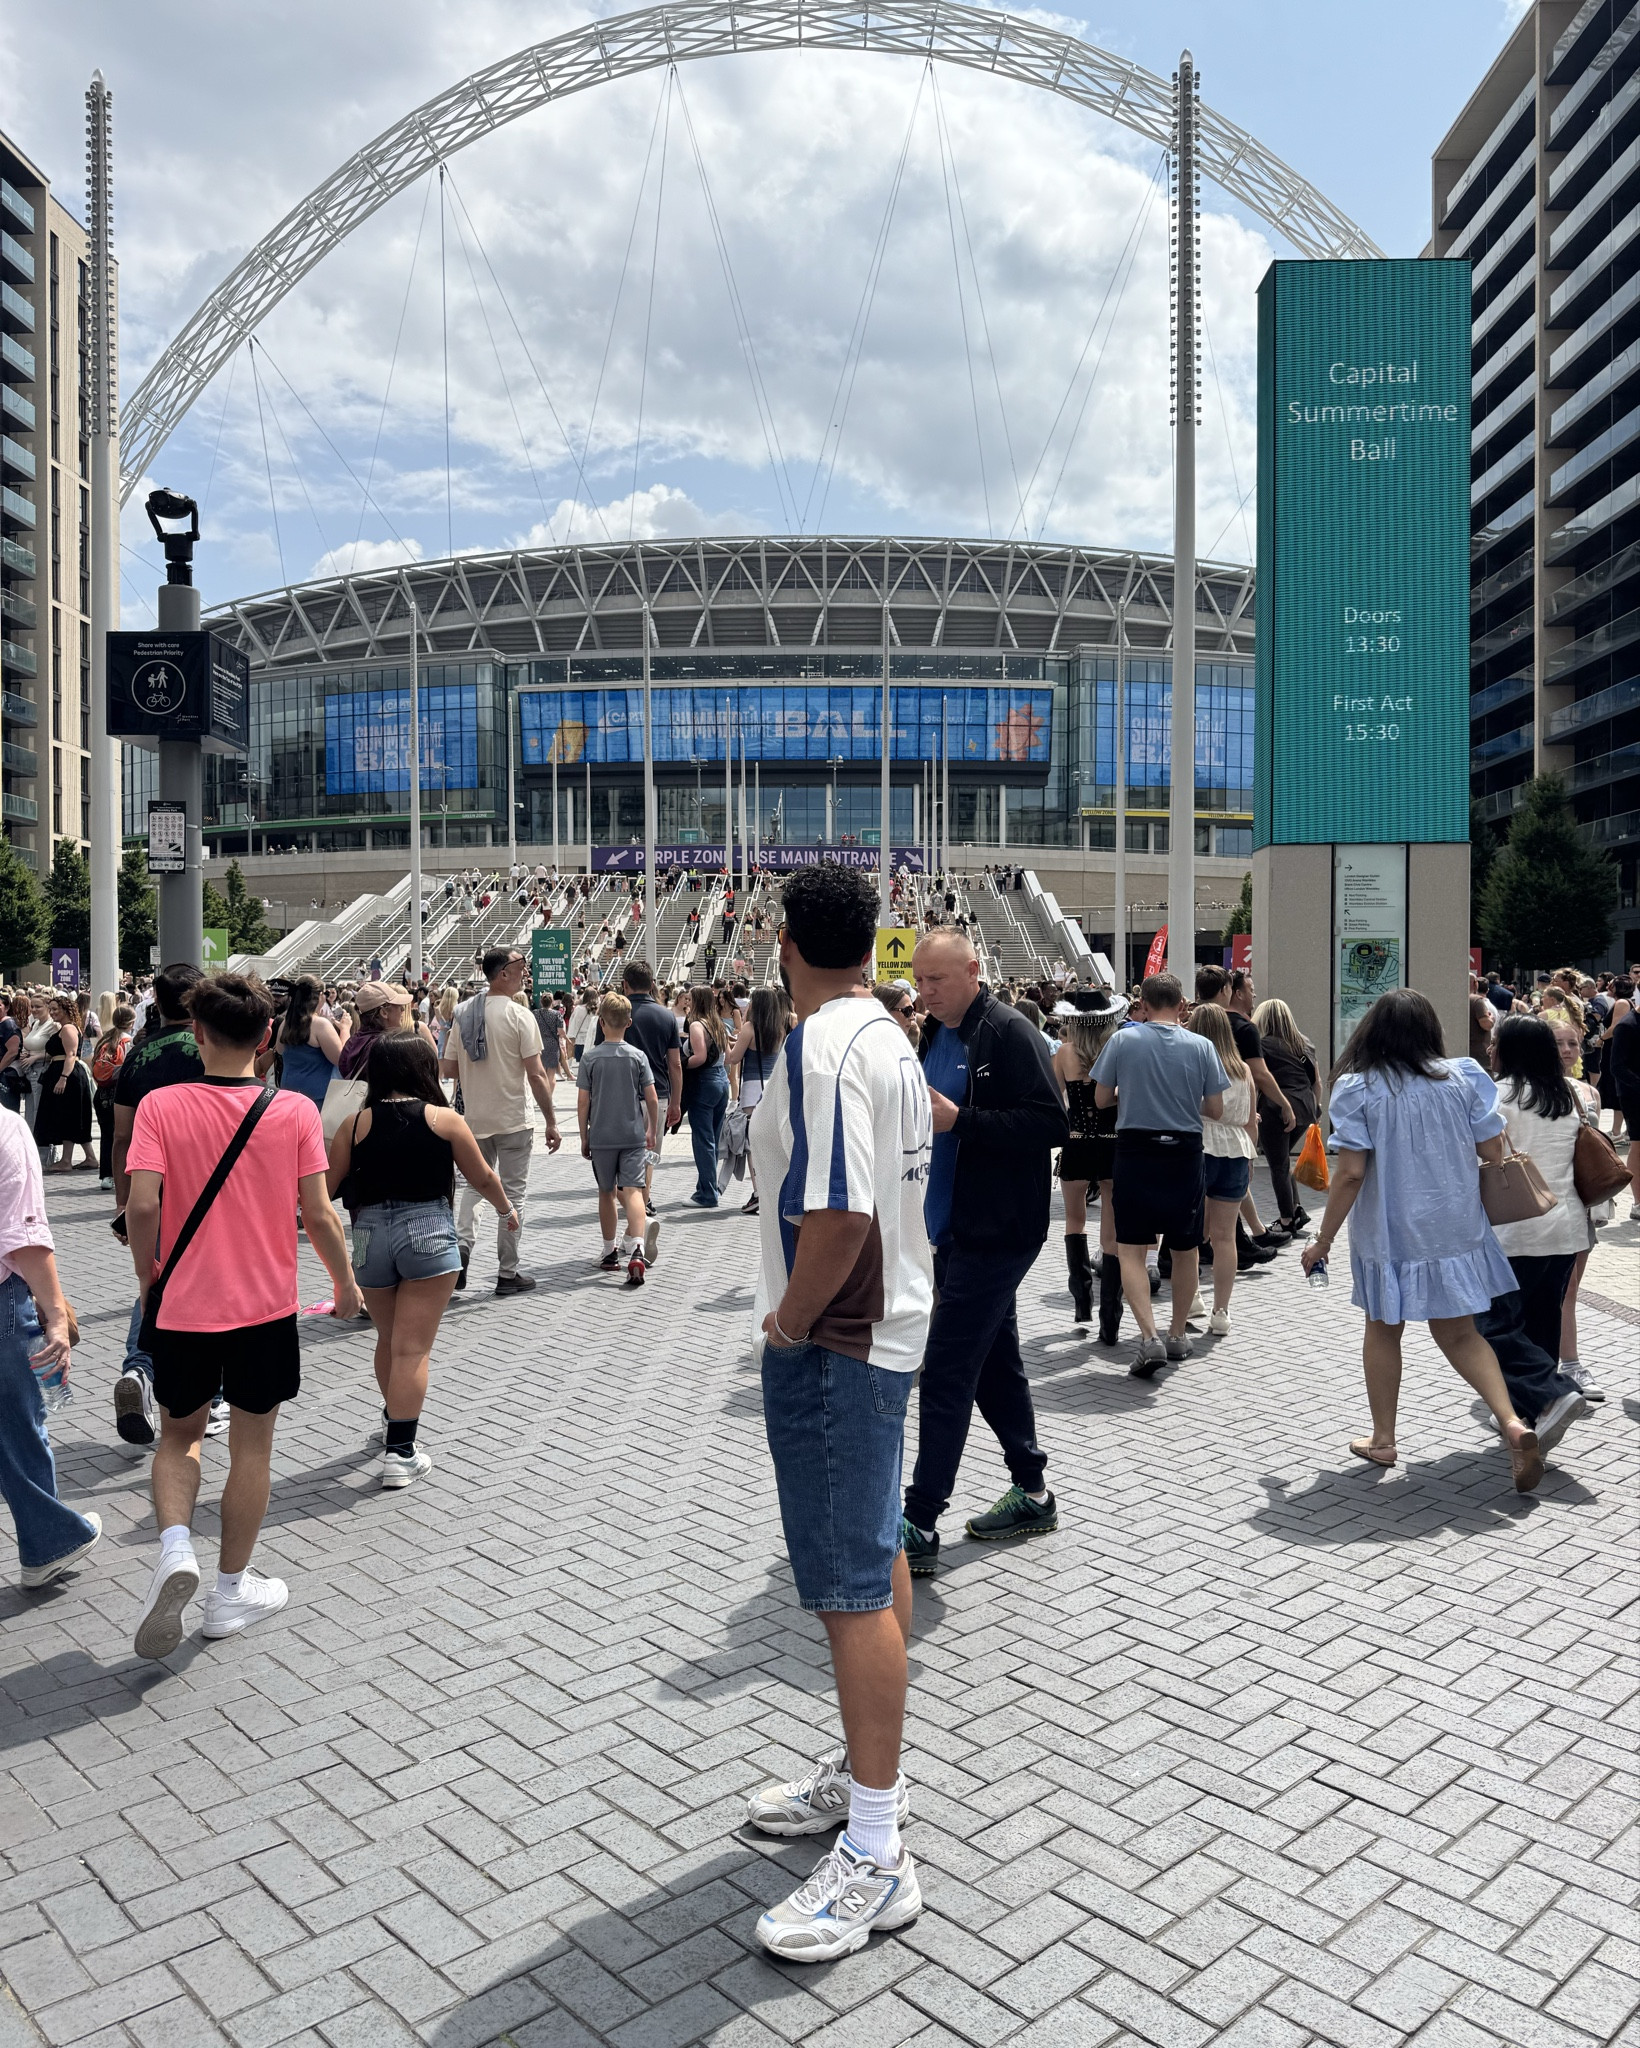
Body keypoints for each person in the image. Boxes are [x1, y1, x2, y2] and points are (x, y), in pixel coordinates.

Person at [741, 863, 933, 1961]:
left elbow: (839, 1210)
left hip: (839, 1337)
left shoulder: (822, 1043)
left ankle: (875, 1846)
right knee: (872, 1560)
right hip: (887, 1326)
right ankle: (869, 1782)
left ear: (782, 941)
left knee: (847, 1585)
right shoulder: (883, 1031)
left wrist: (788, 1321)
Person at [124, 974, 362, 1659]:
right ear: (266, 1039)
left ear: (196, 1032)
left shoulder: (162, 1107)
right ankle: (230, 1592)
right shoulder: (289, 1112)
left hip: (184, 1303)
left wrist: (149, 1277)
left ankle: (174, 1547)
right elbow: (317, 1214)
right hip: (264, 1309)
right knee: (253, 1445)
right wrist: (345, 1285)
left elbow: (142, 1206)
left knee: (180, 1435)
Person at [1297, 989, 1544, 1492]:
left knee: (1384, 1329)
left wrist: (1322, 1239)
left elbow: (1349, 1174)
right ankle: (1512, 1423)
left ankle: (1383, 1438)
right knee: (1460, 1333)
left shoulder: (1358, 1088)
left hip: (1390, 1231)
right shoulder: (1462, 1077)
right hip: (1454, 1224)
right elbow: (1492, 1148)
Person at [900, 929, 1068, 1574]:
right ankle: (1032, 1491)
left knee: (945, 1370)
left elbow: (1052, 1124)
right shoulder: (938, 1033)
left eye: (937, 980)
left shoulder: (1006, 1032)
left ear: (974, 971)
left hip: (998, 1231)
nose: (926, 991)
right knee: (995, 1363)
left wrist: (961, 1121)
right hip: (951, 1228)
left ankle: (919, 1520)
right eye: (920, 979)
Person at [327, 1033, 516, 1486]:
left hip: (370, 1234)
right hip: (427, 1231)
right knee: (414, 1349)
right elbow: (483, 1176)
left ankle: (395, 1414)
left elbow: (327, 1188)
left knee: (389, 1340)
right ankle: (401, 1451)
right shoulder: (445, 1119)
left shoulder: (354, 1124)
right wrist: (508, 1211)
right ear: (422, 1069)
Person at [1092, 973, 1226, 1376]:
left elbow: (1101, 1099)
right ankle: (1177, 1333)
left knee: (1131, 1248)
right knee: (1186, 1249)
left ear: (1144, 1006)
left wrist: (1131, 1093)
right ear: (1182, 1004)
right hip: (1184, 1152)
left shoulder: (1123, 1040)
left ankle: (1148, 1336)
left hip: (1135, 1150)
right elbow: (1216, 1109)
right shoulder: (1202, 1046)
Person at [1471, 1015, 1592, 1457]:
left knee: (1488, 1326)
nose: (1490, 1048)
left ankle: (1551, 1393)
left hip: (1510, 1228)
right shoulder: (1572, 1095)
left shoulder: (1495, 1096)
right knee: (1543, 1320)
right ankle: (1533, 1414)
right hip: (1565, 1226)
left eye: (1496, 1042)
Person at [0, 1100, 101, 1590]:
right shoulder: (6, 1128)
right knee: (18, 1426)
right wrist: (56, 1312)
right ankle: (49, 1543)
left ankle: (52, 1538)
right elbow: (22, 1236)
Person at [110, 965, 208, 1451]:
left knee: (153, 1280)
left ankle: (140, 1370)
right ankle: (212, 1393)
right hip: (206, 1190)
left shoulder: (138, 1054)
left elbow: (121, 1134)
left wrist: (123, 1201)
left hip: (150, 1188)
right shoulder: (208, 1049)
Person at [441, 947, 562, 1295]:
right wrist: (552, 1120)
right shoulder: (520, 1015)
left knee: (474, 1188)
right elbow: (537, 1075)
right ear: (502, 973)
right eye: (520, 967)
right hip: (513, 1119)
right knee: (513, 1195)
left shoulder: (463, 1013)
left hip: (474, 1119)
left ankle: (461, 1249)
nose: (525, 972)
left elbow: (448, 1069)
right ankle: (507, 1272)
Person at [594, 960, 683, 1258]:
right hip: (657, 1095)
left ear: (626, 984)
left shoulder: (612, 1012)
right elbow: (675, 1063)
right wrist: (676, 1101)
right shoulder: (666, 1016)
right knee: (647, 1163)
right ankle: (638, 1225)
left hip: (620, 1100)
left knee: (615, 1178)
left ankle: (639, 1224)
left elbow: (598, 1057)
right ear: (652, 982)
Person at [1052, 991, 1125, 1339]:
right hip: (1112, 1143)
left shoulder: (1064, 1054)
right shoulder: (1116, 1050)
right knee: (1111, 1229)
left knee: (1074, 1219)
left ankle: (1082, 1299)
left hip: (1077, 1140)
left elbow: (1055, 1101)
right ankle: (1110, 1316)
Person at [575, 992, 659, 1285]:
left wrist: (583, 1135)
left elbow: (583, 1102)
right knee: (634, 1191)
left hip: (601, 1134)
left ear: (600, 1022)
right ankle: (636, 1245)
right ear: (629, 1023)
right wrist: (651, 1130)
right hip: (633, 1134)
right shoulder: (637, 1056)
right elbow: (651, 1097)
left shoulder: (590, 1058)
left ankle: (609, 1250)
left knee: (606, 1192)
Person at [1188, 1004, 1256, 1338]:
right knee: (1226, 1237)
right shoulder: (1244, 1070)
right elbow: (1249, 1124)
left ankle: (1192, 1297)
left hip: (1199, 1148)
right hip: (1237, 1151)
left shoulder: (1194, 1063)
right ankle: (1221, 1312)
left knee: (1190, 1232)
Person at [1251, 998, 1319, 1238]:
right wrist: (1315, 1111)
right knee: (1284, 1161)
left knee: (1277, 1165)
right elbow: (1316, 1081)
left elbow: (1259, 1078)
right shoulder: (1304, 1044)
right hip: (1305, 1107)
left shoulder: (1263, 1044)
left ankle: (1287, 1219)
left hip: (1277, 1108)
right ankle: (1296, 1210)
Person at [726, 986, 789, 1217]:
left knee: (754, 1143)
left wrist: (725, 1041)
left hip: (753, 1088)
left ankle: (758, 1192)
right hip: (773, 1086)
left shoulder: (750, 1028)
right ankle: (772, 1188)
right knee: (773, 1140)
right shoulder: (780, 1028)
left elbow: (733, 1058)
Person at [681, 984, 731, 1208]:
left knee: (703, 1140)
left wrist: (679, 1064)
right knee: (713, 1137)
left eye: (690, 999)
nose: (687, 1003)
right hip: (722, 1081)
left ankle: (707, 1193)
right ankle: (707, 1187)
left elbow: (699, 1057)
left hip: (704, 1082)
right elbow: (729, 1057)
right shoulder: (719, 1024)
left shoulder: (696, 1025)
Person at [269, 974, 349, 1111]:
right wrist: (345, 1029)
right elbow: (341, 1059)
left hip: (288, 1095)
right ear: (319, 996)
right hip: (315, 1099)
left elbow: (280, 1051)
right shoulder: (320, 1025)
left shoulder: (285, 1023)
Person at [35, 996, 95, 1172]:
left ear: (66, 1010)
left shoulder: (68, 1028)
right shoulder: (65, 1027)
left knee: (67, 1114)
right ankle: (90, 1157)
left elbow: (70, 1055)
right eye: (51, 1009)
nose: (52, 1012)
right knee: (73, 1115)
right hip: (63, 1072)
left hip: (66, 1073)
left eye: (55, 1009)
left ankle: (66, 1160)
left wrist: (63, 1077)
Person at [91, 1001, 135, 1189]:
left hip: (102, 1093)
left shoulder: (105, 1040)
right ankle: (122, 1174)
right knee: (123, 1136)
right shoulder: (129, 1042)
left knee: (107, 1135)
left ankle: (106, 1176)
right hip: (120, 1094)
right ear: (132, 1023)